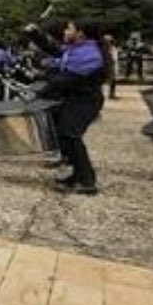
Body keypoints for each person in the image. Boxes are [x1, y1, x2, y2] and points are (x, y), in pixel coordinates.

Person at [26, 20, 106, 195]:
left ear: (81, 33)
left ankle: (87, 181)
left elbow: (65, 79)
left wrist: (39, 93)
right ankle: (77, 175)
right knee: (63, 135)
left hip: (86, 101)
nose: (65, 31)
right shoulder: (76, 48)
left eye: (70, 28)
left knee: (71, 135)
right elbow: (54, 49)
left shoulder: (89, 54)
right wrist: (35, 34)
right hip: (75, 98)